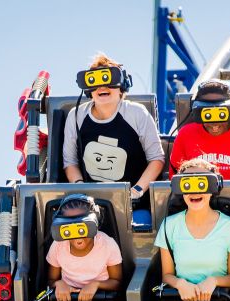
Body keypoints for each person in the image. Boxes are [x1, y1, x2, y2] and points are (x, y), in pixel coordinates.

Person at [63, 53, 164, 213]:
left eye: (109, 80)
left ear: (121, 87)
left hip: (134, 206)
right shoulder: (76, 116)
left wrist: (136, 192)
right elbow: (70, 162)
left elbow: (156, 159)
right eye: (95, 82)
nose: (102, 87)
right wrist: (81, 190)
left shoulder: (136, 113)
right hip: (89, 206)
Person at [155, 158, 230, 301]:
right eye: (188, 184)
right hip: (179, 299)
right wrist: (180, 284)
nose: (194, 191)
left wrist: (213, 281)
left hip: (218, 300)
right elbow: (167, 275)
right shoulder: (169, 225)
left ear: (214, 187)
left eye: (201, 183)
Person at [45, 194, 123, 301]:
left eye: (82, 227)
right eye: (70, 228)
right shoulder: (58, 246)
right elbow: (50, 280)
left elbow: (117, 282)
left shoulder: (108, 244)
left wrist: (95, 285)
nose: (78, 237)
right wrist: (59, 284)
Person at [170, 79, 230, 179]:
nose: (214, 124)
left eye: (221, 115)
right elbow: (175, 177)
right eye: (208, 115)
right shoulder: (185, 135)